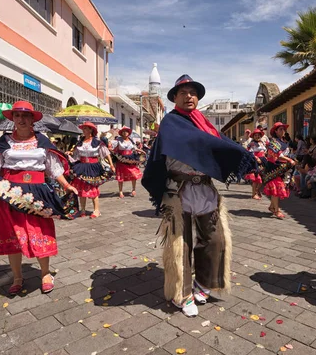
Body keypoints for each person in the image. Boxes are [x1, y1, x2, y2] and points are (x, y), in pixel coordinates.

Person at [142, 74, 255, 317]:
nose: (189, 96)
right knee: (181, 244)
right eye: (183, 92)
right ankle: (181, 294)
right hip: (178, 190)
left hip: (204, 188)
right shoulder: (171, 123)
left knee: (215, 239)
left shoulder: (205, 123)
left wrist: (240, 154)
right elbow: (195, 142)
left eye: (193, 92)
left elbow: (217, 142)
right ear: (175, 98)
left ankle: (204, 283)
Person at [0, 101, 78, 295]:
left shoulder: (42, 141)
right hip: (10, 196)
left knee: (40, 233)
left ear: (33, 119)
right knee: (13, 237)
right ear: (12, 119)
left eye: (26, 116)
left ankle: (45, 274)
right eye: (17, 116)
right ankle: (17, 277)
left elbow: (52, 167)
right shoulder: (4, 142)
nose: (21, 119)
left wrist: (66, 185)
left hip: (37, 195)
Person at [68, 121, 114, 218]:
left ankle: (96, 210)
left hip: (93, 167)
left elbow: (106, 153)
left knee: (93, 188)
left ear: (91, 130)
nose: (84, 130)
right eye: (83, 128)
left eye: (85, 128)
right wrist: (69, 153)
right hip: (82, 166)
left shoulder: (97, 142)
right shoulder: (80, 142)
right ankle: (83, 210)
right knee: (81, 188)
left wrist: (111, 165)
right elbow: (76, 154)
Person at [262, 122, 296, 219]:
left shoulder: (283, 142)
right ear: (275, 131)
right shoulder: (274, 142)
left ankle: (272, 207)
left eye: (283, 129)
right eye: (280, 129)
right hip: (274, 169)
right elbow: (278, 155)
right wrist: (289, 160)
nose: (282, 131)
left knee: (276, 188)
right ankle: (276, 210)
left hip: (281, 169)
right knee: (277, 188)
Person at [112, 126, 144, 198]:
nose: (125, 133)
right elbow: (112, 147)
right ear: (121, 133)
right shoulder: (118, 140)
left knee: (133, 174)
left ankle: (133, 189)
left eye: (126, 131)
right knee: (121, 176)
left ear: (128, 133)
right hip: (121, 159)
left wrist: (142, 151)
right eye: (123, 131)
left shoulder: (131, 140)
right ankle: (120, 191)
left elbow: (135, 148)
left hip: (131, 159)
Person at [245, 129, 267, 200]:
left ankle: (257, 190)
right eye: (256, 135)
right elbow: (249, 153)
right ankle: (253, 194)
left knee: (263, 179)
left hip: (263, 161)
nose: (257, 136)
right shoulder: (252, 144)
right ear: (253, 136)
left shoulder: (262, 142)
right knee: (256, 179)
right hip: (256, 162)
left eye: (258, 135)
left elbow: (264, 151)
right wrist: (257, 158)